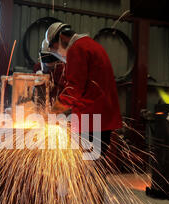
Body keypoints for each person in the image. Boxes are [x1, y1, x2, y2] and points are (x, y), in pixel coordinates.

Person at [45, 22, 123, 158]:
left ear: (62, 37)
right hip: (103, 118)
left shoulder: (77, 49)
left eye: (53, 46)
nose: (55, 51)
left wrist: (53, 112)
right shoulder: (93, 46)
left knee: (87, 167)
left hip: (90, 119)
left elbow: (74, 89)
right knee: (94, 164)